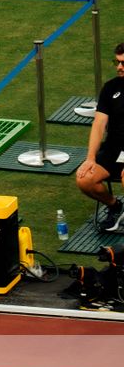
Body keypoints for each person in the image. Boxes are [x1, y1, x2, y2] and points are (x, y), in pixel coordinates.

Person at [75, 41, 124, 235]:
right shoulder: (110, 88)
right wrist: (90, 158)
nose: (119, 67)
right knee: (84, 179)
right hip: (113, 149)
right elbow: (98, 124)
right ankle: (115, 206)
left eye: (123, 63)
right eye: (117, 62)